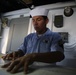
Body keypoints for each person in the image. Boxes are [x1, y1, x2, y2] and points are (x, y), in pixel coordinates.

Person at [1, 7, 65, 74]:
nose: (35, 23)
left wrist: (34, 56)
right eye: (33, 20)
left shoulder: (55, 36)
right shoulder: (29, 37)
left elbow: (59, 55)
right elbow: (22, 50)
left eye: (38, 20)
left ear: (46, 21)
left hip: (46, 70)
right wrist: (17, 53)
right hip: (28, 68)